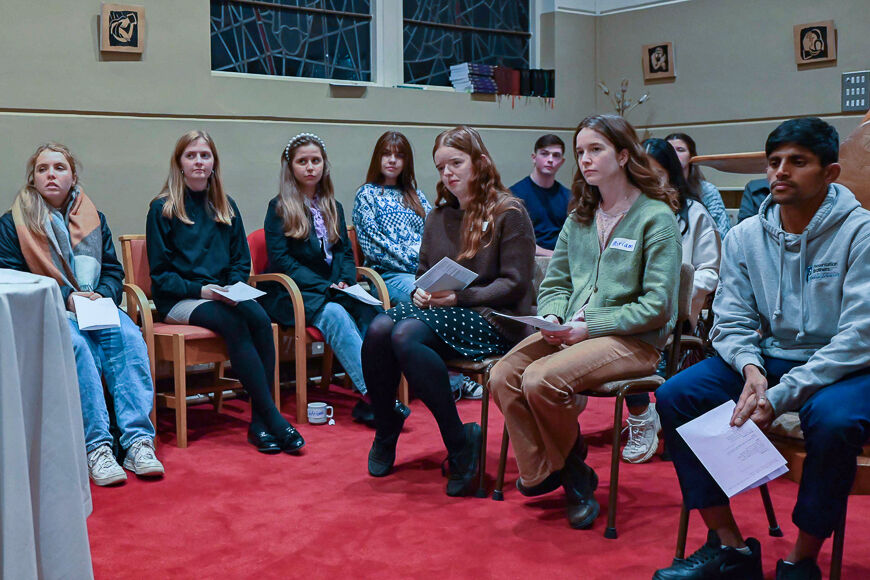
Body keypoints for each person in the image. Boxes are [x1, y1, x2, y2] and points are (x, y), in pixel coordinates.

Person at [653, 117, 870, 580]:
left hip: (846, 365)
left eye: (798, 161)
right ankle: (730, 547)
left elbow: (860, 336)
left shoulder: (861, 232)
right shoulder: (745, 235)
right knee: (677, 395)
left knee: (833, 420)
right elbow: (731, 321)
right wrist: (752, 370)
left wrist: (782, 392)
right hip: (768, 359)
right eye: (774, 162)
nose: (781, 172)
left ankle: (802, 558)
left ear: (829, 173)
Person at [489, 114, 682, 529]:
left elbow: (658, 307)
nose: (585, 160)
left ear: (624, 155)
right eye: (581, 152)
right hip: (572, 331)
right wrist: (554, 316)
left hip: (632, 340)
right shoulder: (580, 216)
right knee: (503, 374)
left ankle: (572, 478)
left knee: (541, 380)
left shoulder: (656, 218)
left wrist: (588, 325)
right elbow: (556, 281)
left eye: (596, 150)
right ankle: (557, 470)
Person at [362, 125, 536, 497]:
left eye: (456, 163)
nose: (448, 174)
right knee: (378, 329)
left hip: (496, 319)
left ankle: (457, 444)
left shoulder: (509, 211)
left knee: (404, 333)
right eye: (441, 167)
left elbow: (515, 284)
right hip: (445, 314)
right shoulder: (438, 215)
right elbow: (425, 272)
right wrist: (423, 292)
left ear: (480, 163)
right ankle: (388, 424)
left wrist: (460, 298)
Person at [0, 143, 163, 485]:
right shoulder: (13, 223)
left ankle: (137, 442)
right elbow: (13, 276)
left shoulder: (94, 218)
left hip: (94, 306)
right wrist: (66, 297)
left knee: (130, 336)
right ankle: (97, 448)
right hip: (45, 312)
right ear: (33, 178)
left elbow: (113, 272)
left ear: (73, 175)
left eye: (59, 167)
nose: (51, 174)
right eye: (42, 169)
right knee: (77, 347)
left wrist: (102, 294)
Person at [146, 130, 304, 454]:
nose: (199, 162)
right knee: (232, 323)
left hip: (222, 293)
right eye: (191, 156)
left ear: (214, 162)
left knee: (259, 317)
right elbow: (161, 277)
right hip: (181, 299)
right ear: (179, 163)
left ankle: (260, 423)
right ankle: (273, 418)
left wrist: (231, 287)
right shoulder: (162, 208)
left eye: (205, 155)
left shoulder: (225, 206)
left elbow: (239, 260)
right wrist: (202, 290)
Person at [259, 132, 408, 425]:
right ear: (291, 168)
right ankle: (377, 397)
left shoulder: (333, 206)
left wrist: (344, 281)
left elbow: (343, 252)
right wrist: (325, 285)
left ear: (324, 165)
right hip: (296, 294)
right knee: (337, 315)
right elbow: (283, 262)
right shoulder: (278, 208)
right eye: (303, 162)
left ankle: (382, 396)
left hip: (334, 287)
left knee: (375, 315)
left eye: (316, 160)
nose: (310, 167)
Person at [615, 138, 720, 464]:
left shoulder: (694, 213)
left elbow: (711, 271)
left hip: (673, 312)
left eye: (655, 172)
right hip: (628, 308)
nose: (646, 179)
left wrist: (675, 291)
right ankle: (641, 410)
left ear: (671, 174)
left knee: (629, 338)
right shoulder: (626, 212)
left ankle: (641, 413)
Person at [351, 130, 431, 304]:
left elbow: (433, 237)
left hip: (423, 274)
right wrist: (418, 265)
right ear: (377, 158)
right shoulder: (366, 195)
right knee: (429, 298)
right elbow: (375, 248)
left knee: (457, 296)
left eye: (399, 155)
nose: (392, 160)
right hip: (388, 277)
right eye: (386, 154)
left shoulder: (418, 197)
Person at [509, 134, 571, 256]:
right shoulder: (514, 195)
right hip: (526, 259)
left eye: (556, 155)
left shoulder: (569, 197)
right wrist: (552, 255)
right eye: (544, 153)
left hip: (561, 262)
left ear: (562, 161)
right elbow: (516, 240)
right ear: (534, 157)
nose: (550, 159)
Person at [666, 132, 732, 238]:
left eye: (680, 150)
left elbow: (721, 231)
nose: (674, 154)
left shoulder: (707, 190)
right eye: (670, 150)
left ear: (691, 157)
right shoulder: (657, 189)